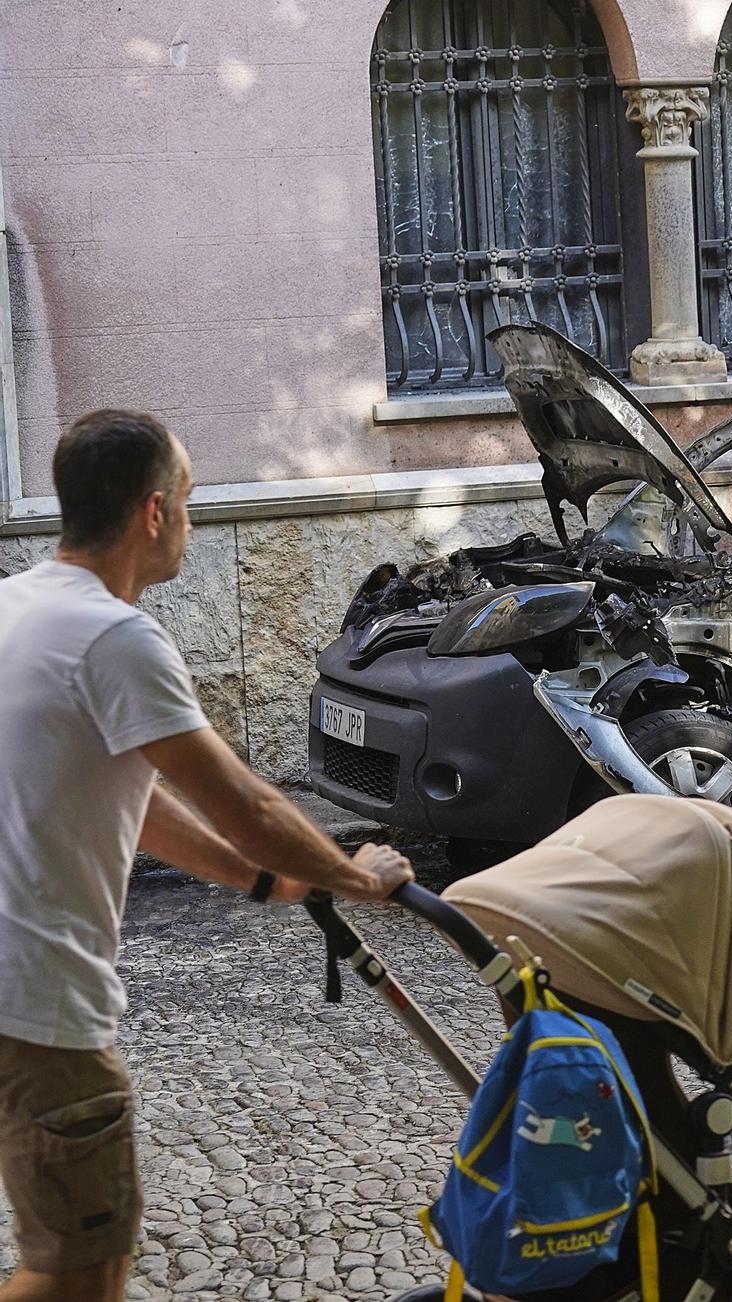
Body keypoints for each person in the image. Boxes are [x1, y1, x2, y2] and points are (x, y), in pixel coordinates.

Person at [0, 408, 414, 1302]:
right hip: (40, 1006)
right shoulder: (118, 637)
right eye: (186, 500)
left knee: (80, 1256)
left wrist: (264, 879)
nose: (189, 518)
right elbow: (250, 800)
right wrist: (355, 876)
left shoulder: (20, 604)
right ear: (154, 514)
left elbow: (130, 798)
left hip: (11, 999)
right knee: (81, 1271)